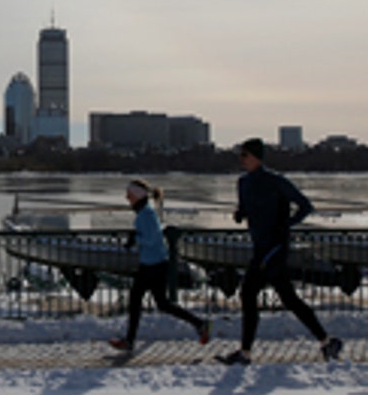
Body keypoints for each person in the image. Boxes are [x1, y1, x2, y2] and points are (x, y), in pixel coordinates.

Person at [217, 138, 343, 365]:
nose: (241, 159)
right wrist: (240, 214)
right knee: (288, 298)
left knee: (250, 294)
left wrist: (286, 224)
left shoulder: (276, 181)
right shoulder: (243, 183)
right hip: (260, 248)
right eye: (241, 155)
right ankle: (326, 341)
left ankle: (245, 353)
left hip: (275, 248)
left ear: (257, 157)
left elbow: (306, 206)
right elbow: (246, 208)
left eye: (245, 155)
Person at [109, 179, 211, 352]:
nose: (127, 198)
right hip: (154, 263)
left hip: (152, 265)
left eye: (130, 195)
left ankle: (129, 341)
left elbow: (151, 239)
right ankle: (200, 324)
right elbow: (153, 235)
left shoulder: (146, 214)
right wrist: (136, 236)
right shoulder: (146, 212)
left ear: (138, 196)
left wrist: (135, 238)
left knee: (138, 300)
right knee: (162, 303)